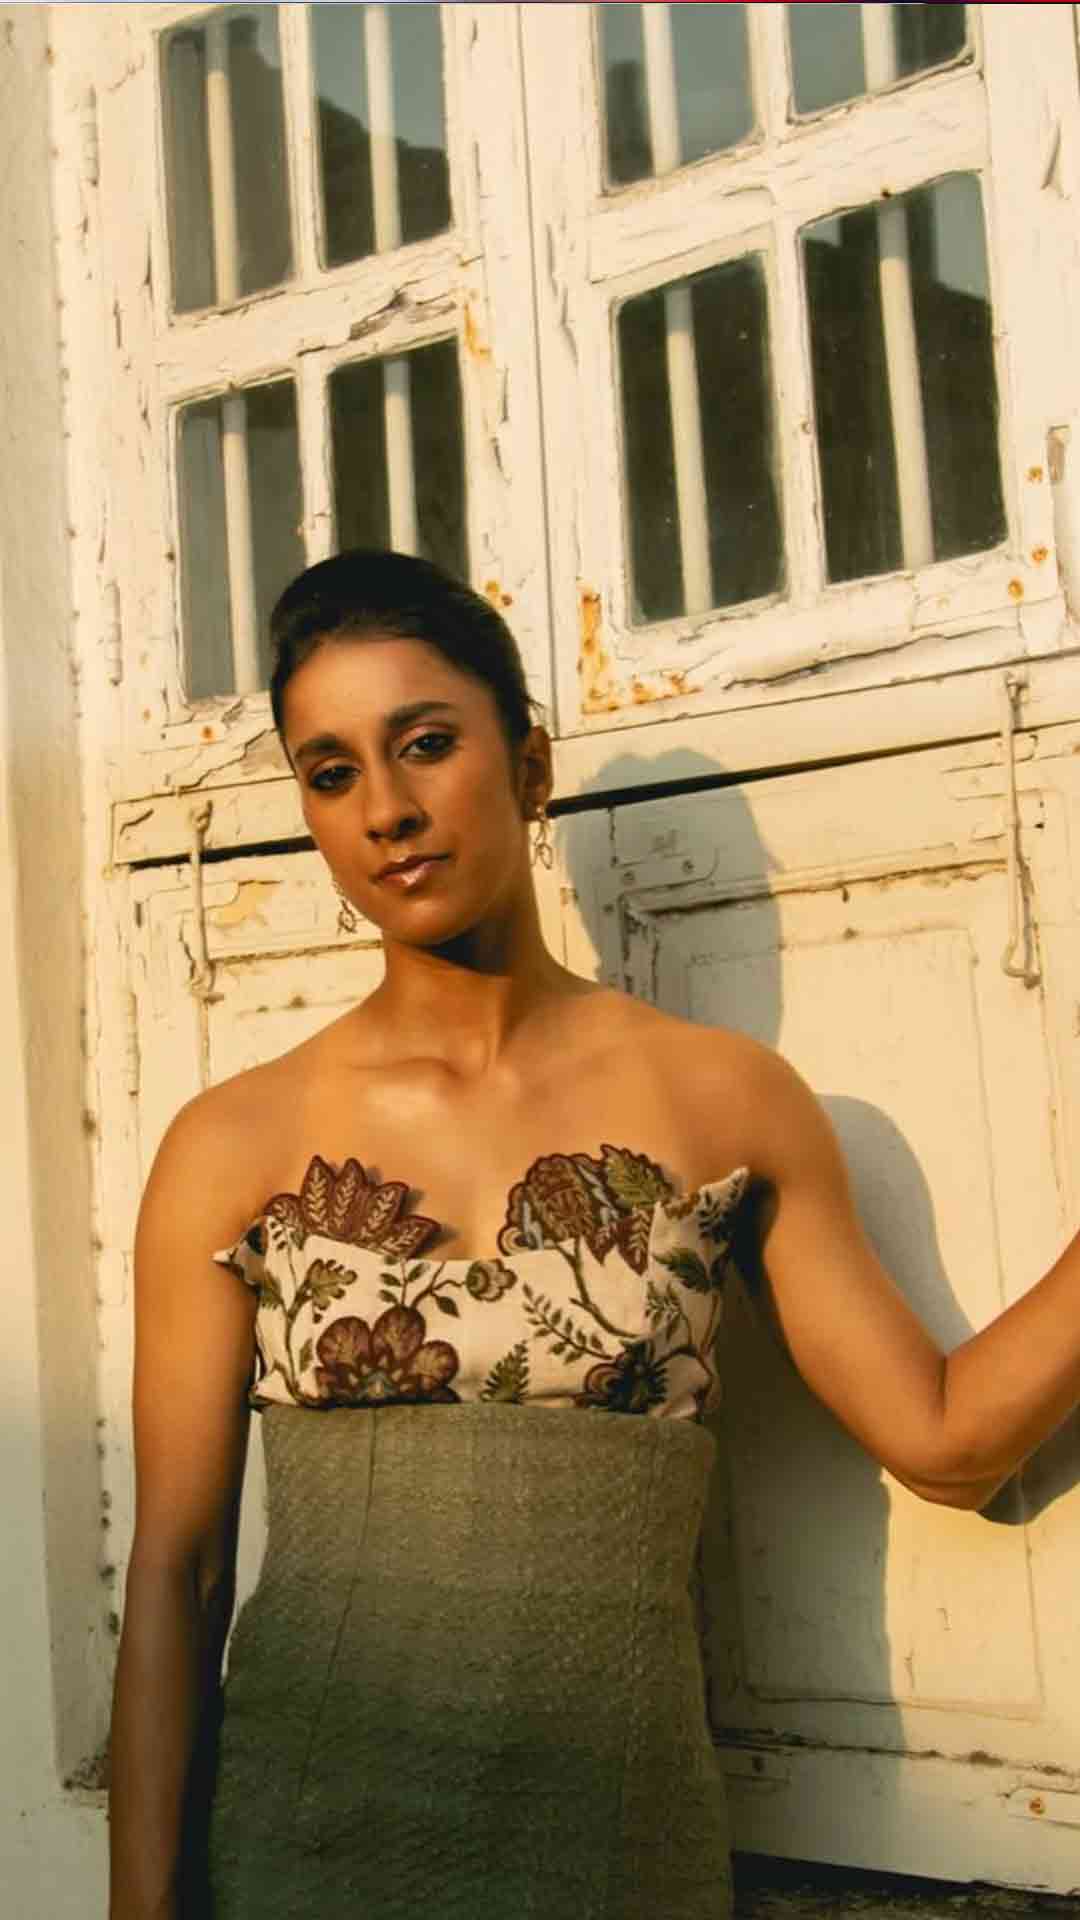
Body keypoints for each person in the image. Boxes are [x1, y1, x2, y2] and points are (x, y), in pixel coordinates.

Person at [108, 548, 1080, 1920]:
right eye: (331, 772)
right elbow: (179, 1569)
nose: (386, 810)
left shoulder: (725, 1101)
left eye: (426, 744)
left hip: (621, 1861)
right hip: (301, 1858)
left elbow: (947, 1441)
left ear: (532, 767)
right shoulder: (232, 1142)